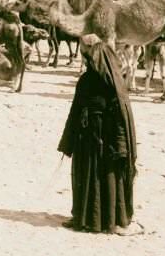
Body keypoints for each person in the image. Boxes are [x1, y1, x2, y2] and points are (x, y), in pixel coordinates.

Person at [58, 34, 142, 235]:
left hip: (108, 140)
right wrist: (68, 142)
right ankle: (84, 218)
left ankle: (112, 221)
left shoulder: (114, 83)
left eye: (84, 53)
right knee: (85, 176)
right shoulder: (86, 80)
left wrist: (121, 146)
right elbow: (75, 110)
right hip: (86, 137)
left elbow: (121, 117)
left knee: (108, 176)